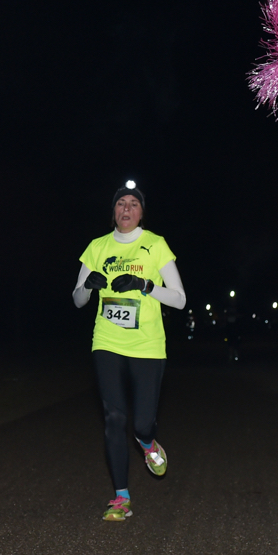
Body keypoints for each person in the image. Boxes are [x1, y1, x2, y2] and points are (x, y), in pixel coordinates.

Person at [73, 183, 186, 521]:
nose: (126, 209)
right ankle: (121, 498)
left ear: (141, 212)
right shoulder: (97, 247)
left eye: (133, 204)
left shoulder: (155, 245)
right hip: (107, 340)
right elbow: (78, 299)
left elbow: (179, 299)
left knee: (141, 423)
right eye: (121, 203)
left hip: (147, 344)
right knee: (113, 418)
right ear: (113, 211)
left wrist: (146, 286)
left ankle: (148, 443)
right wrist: (87, 286)